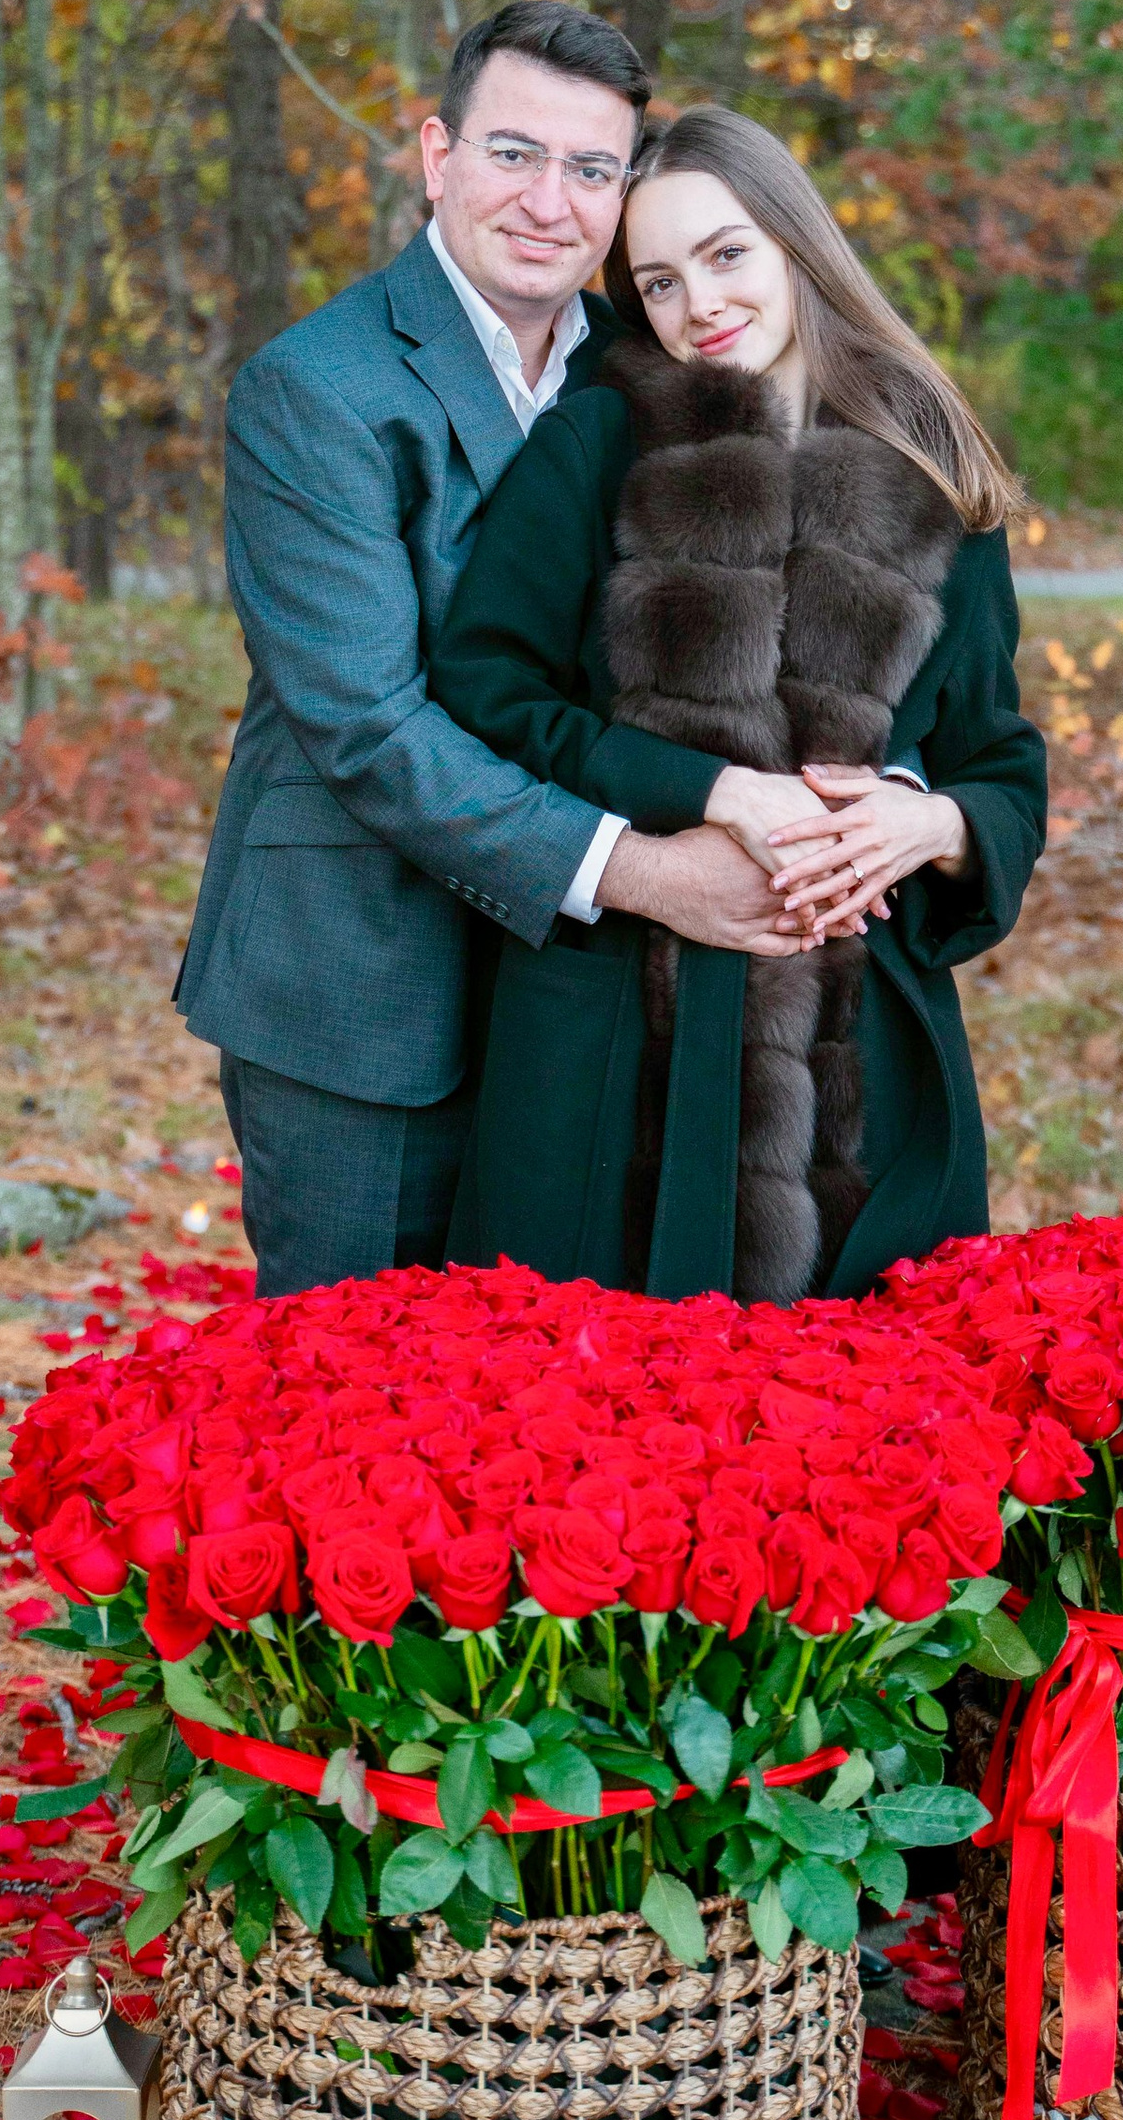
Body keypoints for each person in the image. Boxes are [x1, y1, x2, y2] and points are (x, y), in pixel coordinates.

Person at [175, 6, 813, 1297]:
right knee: (356, 1407)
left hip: (577, 1005)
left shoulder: (643, 370)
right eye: (513, 154)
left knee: (542, 1421)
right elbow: (372, 726)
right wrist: (648, 871)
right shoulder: (319, 390)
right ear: (437, 155)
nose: (549, 202)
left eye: (592, 171)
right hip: (361, 986)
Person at [430, 99, 1049, 1303]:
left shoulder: (934, 467)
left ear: (794, 244)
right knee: (596, 1435)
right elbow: (483, 685)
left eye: (724, 256)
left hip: (860, 1046)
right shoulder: (601, 441)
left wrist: (930, 821)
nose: (696, 306)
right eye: (656, 282)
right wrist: (705, 791)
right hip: (618, 1037)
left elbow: (998, 756)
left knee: (857, 1434)